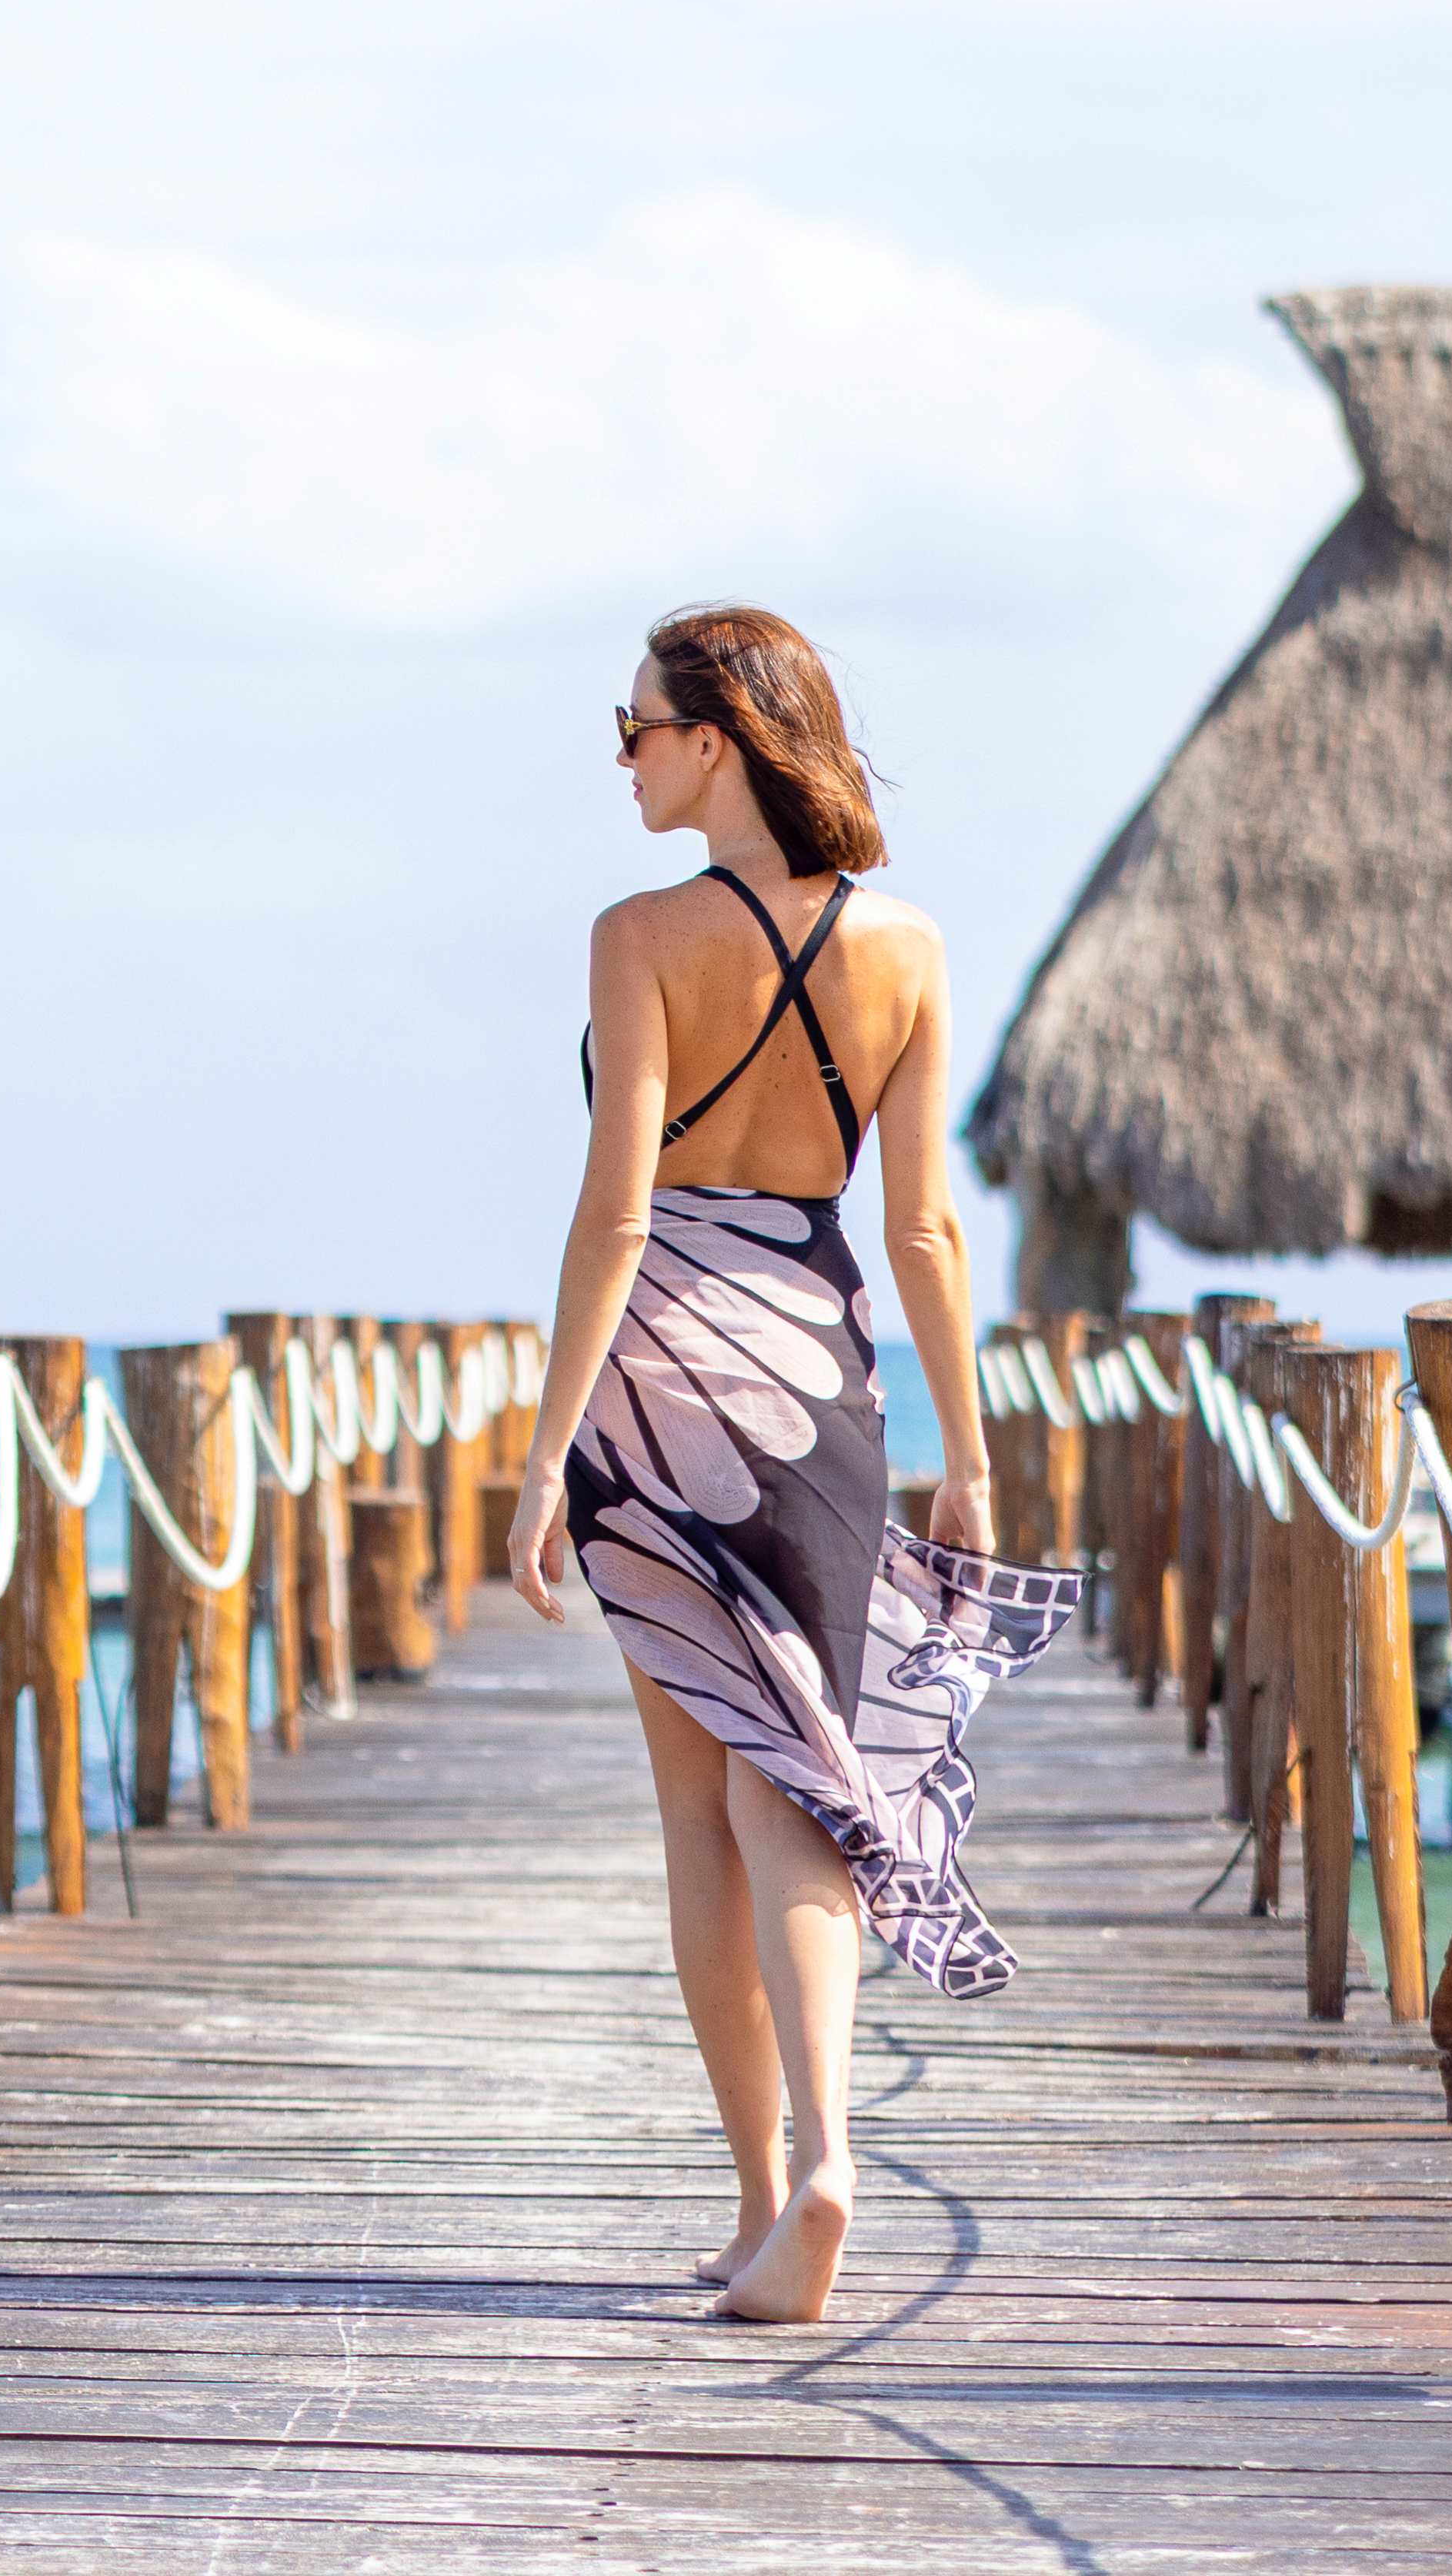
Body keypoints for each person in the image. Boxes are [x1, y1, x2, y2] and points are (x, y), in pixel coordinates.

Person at [506, 603, 1074, 2327]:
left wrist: (544, 1457)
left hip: (658, 1373)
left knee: (699, 1793)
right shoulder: (904, 944)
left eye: (636, 725)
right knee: (803, 1774)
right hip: (814, 1381)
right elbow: (918, 1225)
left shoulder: (640, 933)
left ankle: (764, 2196)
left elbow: (615, 1209)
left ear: (719, 736)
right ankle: (824, 2152)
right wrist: (967, 1450)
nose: (621, 756)